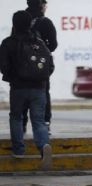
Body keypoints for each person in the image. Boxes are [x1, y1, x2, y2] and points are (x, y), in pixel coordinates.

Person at [0, 10, 53, 170]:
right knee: (38, 120)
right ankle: (44, 147)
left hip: (18, 88)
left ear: (14, 23)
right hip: (39, 88)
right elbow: (50, 65)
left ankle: (18, 151)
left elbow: (3, 66)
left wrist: (12, 77)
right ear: (30, 23)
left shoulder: (8, 42)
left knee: (16, 117)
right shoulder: (39, 42)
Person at [22, 0, 57, 134]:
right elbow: (53, 45)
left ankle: (22, 124)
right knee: (43, 94)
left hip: (22, 66)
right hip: (40, 66)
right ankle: (45, 124)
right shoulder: (46, 22)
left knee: (22, 94)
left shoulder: (20, 19)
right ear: (41, 5)